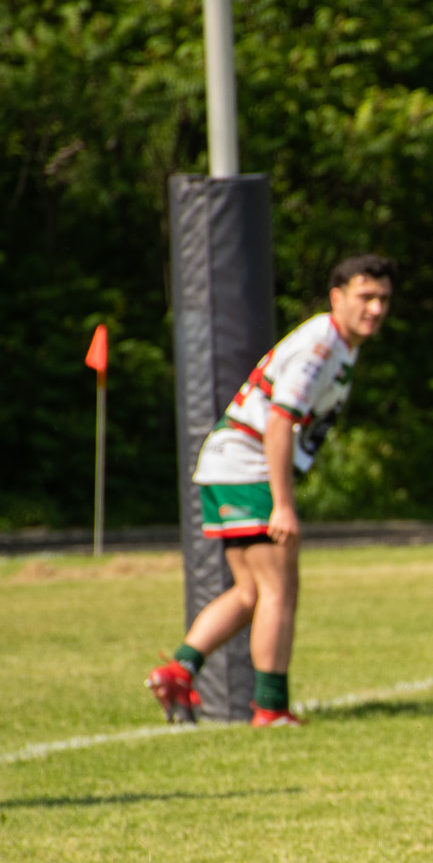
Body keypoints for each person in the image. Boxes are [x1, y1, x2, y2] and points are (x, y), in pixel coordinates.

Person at [146, 254, 394, 726]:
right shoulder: (320, 345)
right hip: (248, 466)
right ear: (337, 298)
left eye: (383, 298)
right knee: (279, 589)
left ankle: (180, 670)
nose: (376, 308)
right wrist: (283, 503)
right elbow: (280, 422)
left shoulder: (342, 344)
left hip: (227, 465)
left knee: (251, 593)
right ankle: (271, 709)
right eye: (366, 297)